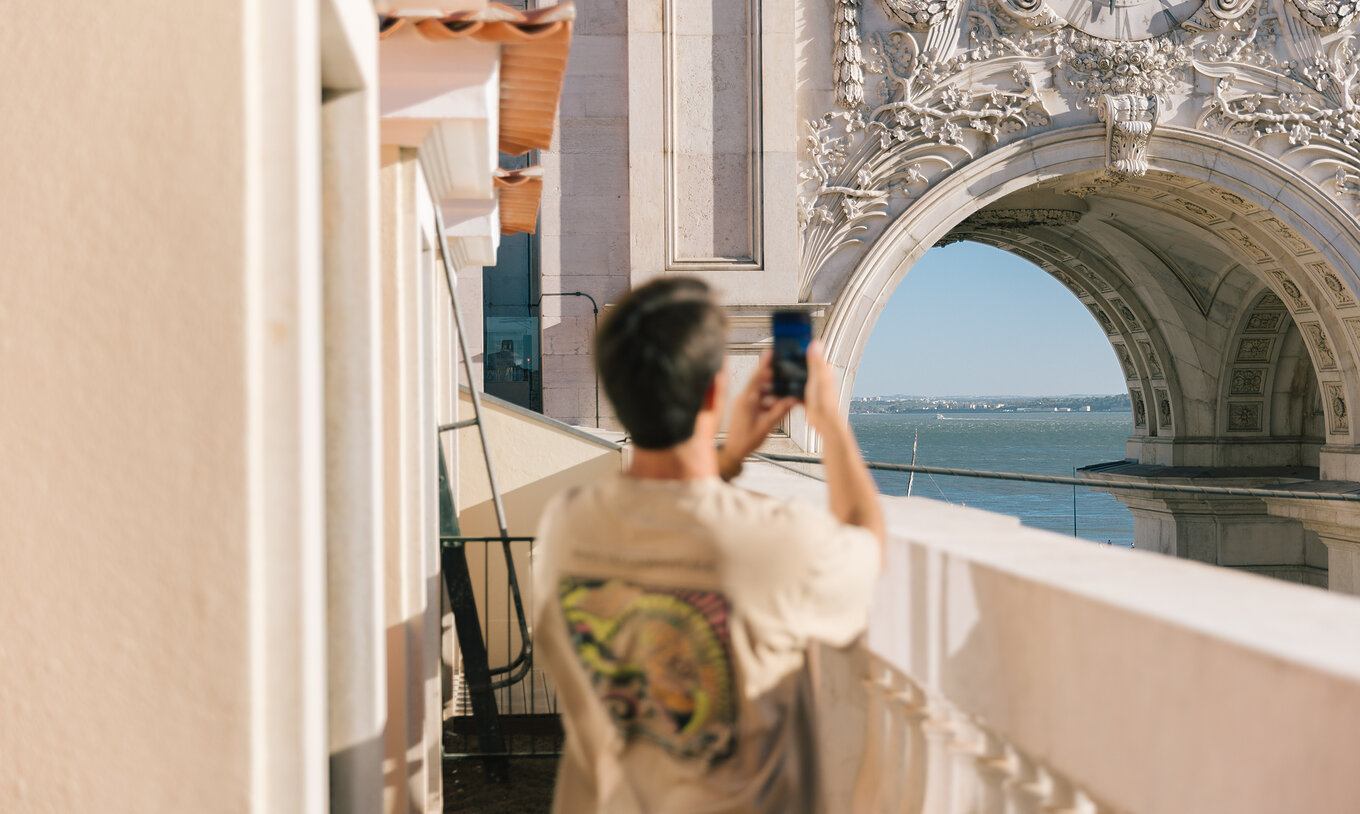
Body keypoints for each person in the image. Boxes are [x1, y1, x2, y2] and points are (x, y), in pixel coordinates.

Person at [532, 276, 886, 813]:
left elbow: (674, 515)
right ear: (716, 391)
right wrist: (830, 421)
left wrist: (729, 456)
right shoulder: (776, 542)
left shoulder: (566, 526)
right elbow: (867, 542)